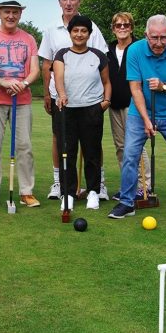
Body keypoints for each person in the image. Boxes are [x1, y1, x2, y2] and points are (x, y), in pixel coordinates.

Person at [108, 14, 166, 222]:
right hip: (139, 114)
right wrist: (146, 119)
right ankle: (127, 202)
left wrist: (164, 87)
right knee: (130, 155)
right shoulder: (135, 50)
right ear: (145, 35)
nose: (159, 43)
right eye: (154, 37)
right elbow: (135, 88)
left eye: (163, 37)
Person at [39, 0, 109, 201]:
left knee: (92, 143)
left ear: (79, 1)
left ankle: (99, 185)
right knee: (60, 140)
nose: (69, 3)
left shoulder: (93, 28)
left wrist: (105, 99)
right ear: (59, 2)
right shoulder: (51, 30)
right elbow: (46, 65)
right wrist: (48, 94)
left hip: (89, 100)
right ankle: (60, 182)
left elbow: (102, 61)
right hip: (62, 100)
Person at [0, 0, 41, 208]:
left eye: (15, 12)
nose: (11, 15)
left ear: (20, 14)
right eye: (7, 11)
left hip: (21, 100)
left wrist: (22, 84)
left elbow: (35, 70)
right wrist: (4, 83)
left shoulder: (29, 39)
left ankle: (26, 191)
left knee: (25, 146)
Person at [53, 15, 111, 210]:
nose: (79, 34)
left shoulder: (98, 55)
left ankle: (93, 191)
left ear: (89, 34)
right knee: (67, 153)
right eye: (75, 30)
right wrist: (61, 94)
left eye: (83, 31)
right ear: (70, 33)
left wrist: (106, 101)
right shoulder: (62, 54)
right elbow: (59, 77)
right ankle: (67, 194)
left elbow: (106, 82)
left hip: (92, 110)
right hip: (66, 109)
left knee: (92, 152)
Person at [107, 12, 151, 201]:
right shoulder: (108, 49)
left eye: (126, 25)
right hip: (114, 104)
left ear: (132, 27)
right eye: (118, 25)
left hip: (134, 104)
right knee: (121, 147)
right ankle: (129, 185)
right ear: (113, 28)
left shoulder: (140, 47)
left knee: (137, 146)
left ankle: (144, 187)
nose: (122, 28)